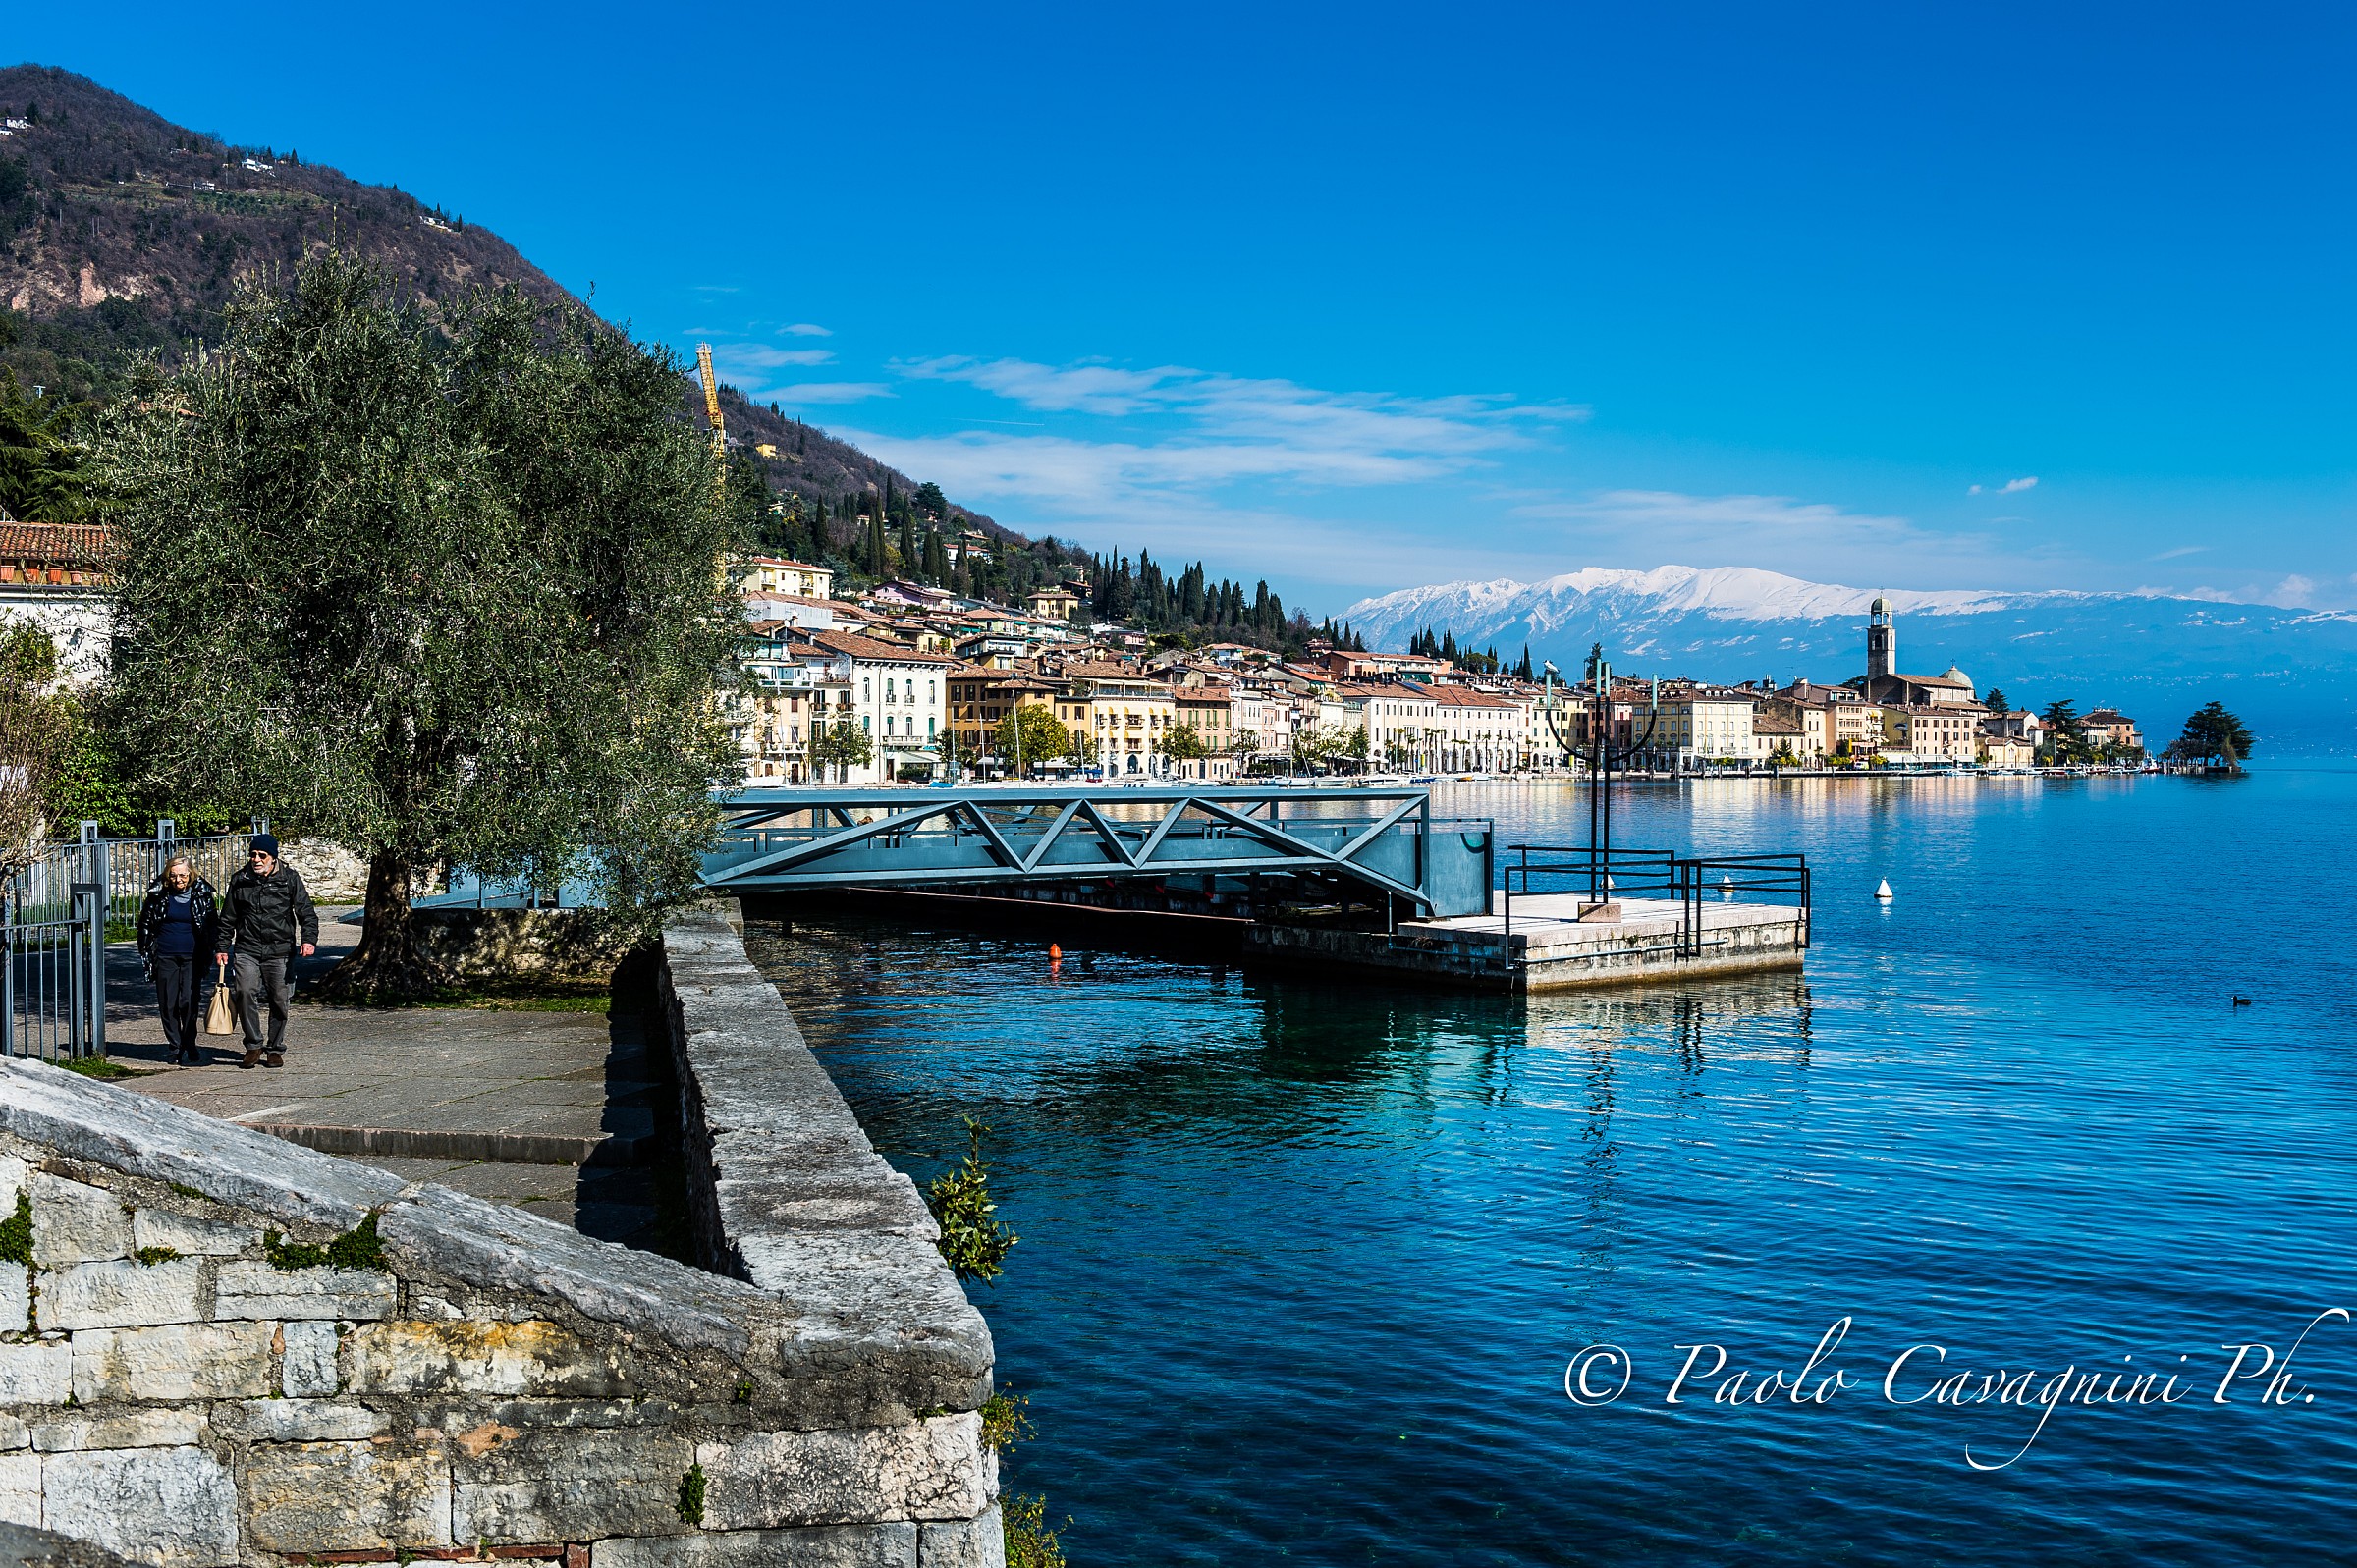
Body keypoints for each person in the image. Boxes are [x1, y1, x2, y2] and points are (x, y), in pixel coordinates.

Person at [221, 834, 317, 1070]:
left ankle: (275, 1048)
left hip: (280, 950)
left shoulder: (289, 878)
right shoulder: (240, 880)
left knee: (279, 999)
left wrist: (308, 940)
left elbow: (307, 913)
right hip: (247, 948)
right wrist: (222, 946)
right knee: (244, 992)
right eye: (253, 855)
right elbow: (227, 917)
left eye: (262, 855)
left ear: (273, 858)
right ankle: (253, 1045)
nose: (256, 859)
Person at [136, 854, 222, 1066]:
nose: (178, 880)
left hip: (193, 956)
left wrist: (213, 949)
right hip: (165, 955)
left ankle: (189, 1043)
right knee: (168, 1003)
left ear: (190, 875)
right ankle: (175, 1046)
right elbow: (145, 924)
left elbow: (212, 925)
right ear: (168, 876)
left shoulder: (202, 895)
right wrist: (146, 948)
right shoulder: (157, 895)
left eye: (182, 875)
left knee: (188, 1002)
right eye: (173, 875)